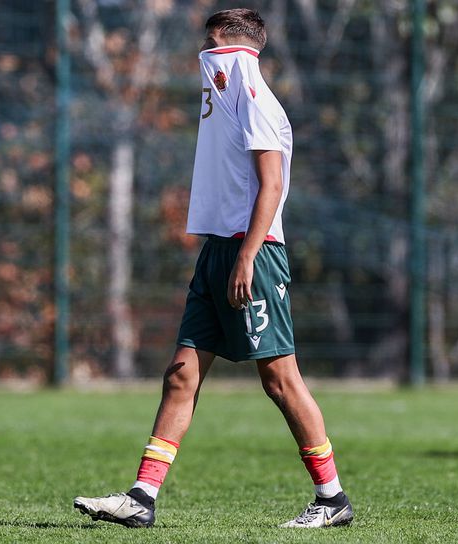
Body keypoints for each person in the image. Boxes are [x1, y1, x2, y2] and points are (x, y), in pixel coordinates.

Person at [73, 9, 353, 528]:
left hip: (257, 253)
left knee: (279, 379)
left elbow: (272, 185)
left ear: (234, 48)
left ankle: (332, 498)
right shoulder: (226, 102)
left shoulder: (259, 102)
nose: (205, 56)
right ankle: (141, 498)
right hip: (217, 252)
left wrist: (247, 255)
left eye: (212, 44)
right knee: (181, 374)